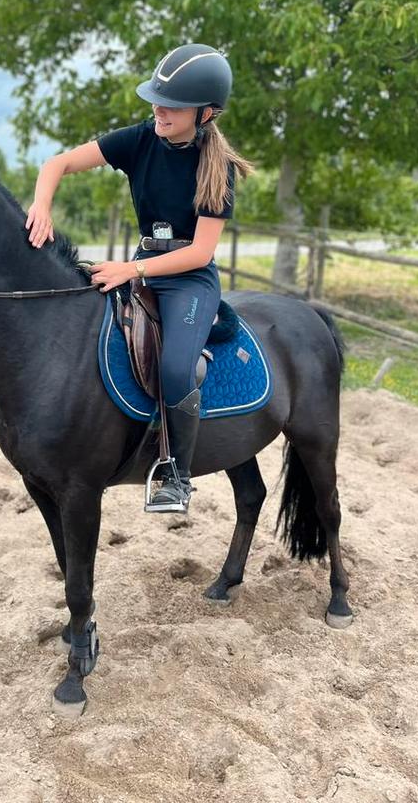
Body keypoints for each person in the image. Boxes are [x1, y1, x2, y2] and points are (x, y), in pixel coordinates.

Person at [26, 43, 254, 510]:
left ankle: (177, 474)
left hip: (188, 280)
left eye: (171, 105)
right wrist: (41, 205)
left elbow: (201, 252)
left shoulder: (219, 170)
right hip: (140, 266)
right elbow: (59, 163)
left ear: (205, 113)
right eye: (156, 99)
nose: (158, 109)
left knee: (176, 368)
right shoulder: (138, 138)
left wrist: (132, 269)